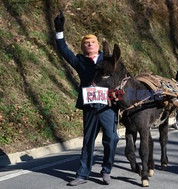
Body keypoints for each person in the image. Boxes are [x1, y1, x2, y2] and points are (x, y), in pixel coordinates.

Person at [54, 11, 119, 186]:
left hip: (108, 107)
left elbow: (121, 80)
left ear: (98, 45)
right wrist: (59, 30)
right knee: (88, 141)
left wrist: (118, 97)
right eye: (86, 43)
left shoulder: (108, 60)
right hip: (90, 108)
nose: (89, 44)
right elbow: (63, 49)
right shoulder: (79, 61)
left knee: (111, 139)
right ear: (83, 47)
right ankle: (82, 174)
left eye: (92, 42)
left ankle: (106, 170)